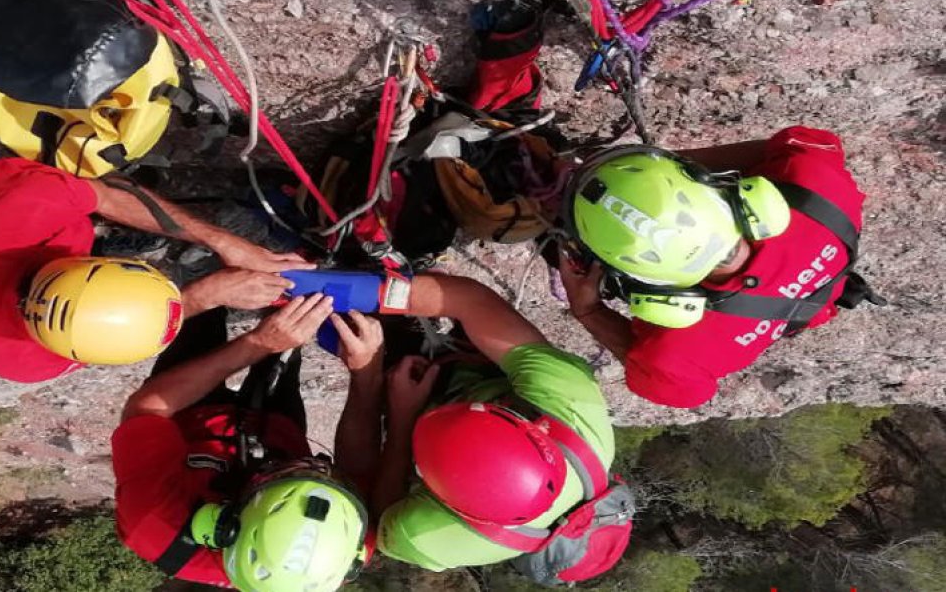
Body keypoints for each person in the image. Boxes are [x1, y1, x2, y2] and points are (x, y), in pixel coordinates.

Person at [325, 273, 622, 579]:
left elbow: (369, 508)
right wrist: (361, 290)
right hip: (484, 373)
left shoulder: (442, 538)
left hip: (427, 407)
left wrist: (372, 382)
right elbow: (469, 300)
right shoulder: (574, 410)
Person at [557, 126, 870, 408]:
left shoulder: (816, 183)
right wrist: (590, 311)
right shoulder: (814, 183)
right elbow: (680, 392)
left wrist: (674, 165)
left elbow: (796, 145)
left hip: (811, 293)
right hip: (811, 300)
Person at [0, 157, 313, 382]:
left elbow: (106, 192)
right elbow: (130, 332)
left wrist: (223, 241)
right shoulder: (32, 359)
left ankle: (120, 238)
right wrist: (205, 295)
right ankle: (118, 241)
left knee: (98, 181)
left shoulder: (24, 205)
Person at [112, 292, 384, 590]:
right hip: (277, 431)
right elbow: (358, 467)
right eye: (321, 470)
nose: (314, 462)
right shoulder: (340, 542)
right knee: (287, 339)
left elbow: (147, 409)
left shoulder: (155, 524)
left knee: (198, 310)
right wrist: (367, 372)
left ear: (222, 517)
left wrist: (258, 343)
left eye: (287, 470)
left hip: (187, 416)